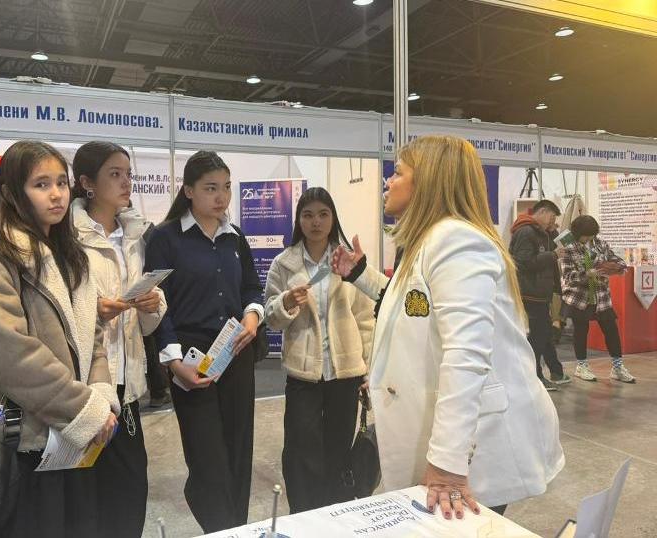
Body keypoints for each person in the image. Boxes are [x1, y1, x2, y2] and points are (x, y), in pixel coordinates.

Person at [331, 135, 564, 519]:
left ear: (428, 182)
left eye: (398, 172)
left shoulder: (455, 240)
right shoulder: (429, 242)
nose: (388, 181)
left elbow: (466, 353)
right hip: (450, 443)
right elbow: (416, 306)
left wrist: (446, 464)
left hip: (471, 454)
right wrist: (361, 274)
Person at [0, 140, 119, 537]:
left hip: (73, 435)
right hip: (21, 437)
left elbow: (93, 337)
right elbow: (12, 353)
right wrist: (84, 409)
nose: (57, 194)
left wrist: (101, 395)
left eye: (61, 182)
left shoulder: (71, 256)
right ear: (12, 192)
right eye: (41, 184)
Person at [144, 150, 263, 533]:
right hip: (190, 358)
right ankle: (219, 526)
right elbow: (158, 304)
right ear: (189, 191)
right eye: (211, 188)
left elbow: (251, 288)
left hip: (236, 353)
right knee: (206, 456)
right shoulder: (165, 238)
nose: (221, 197)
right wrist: (173, 362)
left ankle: (236, 528)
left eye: (226, 187)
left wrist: (252, 316)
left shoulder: (235, 237)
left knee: (238, 449)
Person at [71, 140, 167, 537]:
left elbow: (149, 322)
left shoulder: (136, 236)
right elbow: (56, 311)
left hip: (127, 387)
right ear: (87, 183)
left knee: (129, 496)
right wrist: (94, 311)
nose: (126, 182)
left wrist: (152, 303)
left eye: (128, 174)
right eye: (115, 174)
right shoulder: (68, 237)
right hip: (84, 388)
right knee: (85, 501)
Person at [264, 187, 375, 513]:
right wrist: (286, 302)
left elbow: (365, 318)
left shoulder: (346, 261)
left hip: (345, 372)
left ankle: (334, 514)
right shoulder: (284, 264)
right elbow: (271, 317)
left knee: (338, 449)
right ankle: (303, 514)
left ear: (333, 218)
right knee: (301, 450)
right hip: (304, 375)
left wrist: (370, 368)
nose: (316, 222)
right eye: (308, 215)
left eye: (323, 214)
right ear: (298, 220)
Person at [559, 215, 634, 383]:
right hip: (579, 297)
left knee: (611, 329)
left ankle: (617, 367)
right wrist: (587, 274)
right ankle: (581, 366)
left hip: (601, 296)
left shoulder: (600, 244)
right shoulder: (568, 248)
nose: (589, 238)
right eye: (586, 235)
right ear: (577, 233)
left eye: (592, 235)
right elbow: (568, 276)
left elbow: (616, 259)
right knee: (581, 330)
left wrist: (617, 266)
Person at [508, 199, 568, 390]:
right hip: (530, 294)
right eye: (551, 217)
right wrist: (553, 255)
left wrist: (553, 233)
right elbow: (522, 262)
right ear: (542, 211)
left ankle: (554, 372)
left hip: (541, 293)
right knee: (536, 338)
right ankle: (534, 377)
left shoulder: (542, 233)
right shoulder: (526, 232)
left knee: (544, 335)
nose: (553, 222)